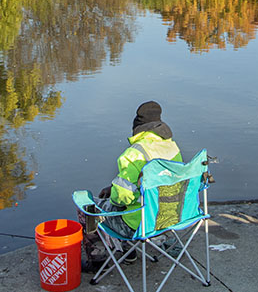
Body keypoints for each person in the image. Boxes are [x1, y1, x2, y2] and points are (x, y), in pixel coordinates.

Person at [77, 100, 181, 268]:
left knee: (88, 207)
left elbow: (121, 199)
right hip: (169, 219)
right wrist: (113, 188)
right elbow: (159, 181)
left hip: (138, 226)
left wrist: (114, 193)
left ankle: (98, 261)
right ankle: (128, 252)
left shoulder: (134, 154)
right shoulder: (172, 148)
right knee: (134, 202)